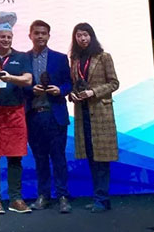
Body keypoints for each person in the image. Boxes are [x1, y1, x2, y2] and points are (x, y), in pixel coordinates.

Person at [0, 12, 33, 215]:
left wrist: (10, 77)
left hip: (15, 113)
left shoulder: (21, 57)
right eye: (2, 36)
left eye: (8, 37)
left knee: (15, 158)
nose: (5, 40)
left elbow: (28, 79)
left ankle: (16, 198)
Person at [69, 23, 119, 213]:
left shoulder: (103, 57)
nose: (82, 38)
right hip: (82, 113)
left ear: (92, 36)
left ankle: (102, 198)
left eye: (86, 35)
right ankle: (100, 197)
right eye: (79, 35)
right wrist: (72, 94)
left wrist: (94, 92)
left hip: (100, 113)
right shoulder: (75, 59)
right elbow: (75, 85)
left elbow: (114, 83)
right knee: (91, 156)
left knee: (102, 159)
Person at [25, 20, 72, 214]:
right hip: (34, 116)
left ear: (49, 36)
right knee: (40, 159)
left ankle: (63, 196)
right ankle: (43, 195)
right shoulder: (23, 58)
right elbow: (19, 85)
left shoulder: (60, 58)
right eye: (36, 33)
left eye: (43, 33)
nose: (40, 36)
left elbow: (69, 83)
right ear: (30, 35)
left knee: (59, 157)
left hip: (55, 115)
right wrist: (31, 90)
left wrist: (60, 90)